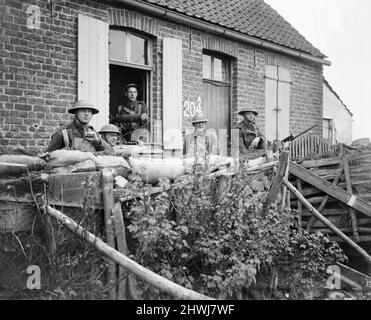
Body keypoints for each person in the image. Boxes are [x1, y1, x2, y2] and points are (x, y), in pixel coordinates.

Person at [46, 100, 111, 153]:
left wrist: (98, 141)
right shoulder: (63, 133)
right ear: (76, 113)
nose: (86, 114)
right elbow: (49, 156)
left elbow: (110, 151)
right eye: (83, 111)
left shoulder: (92, 131)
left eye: (89, 111)